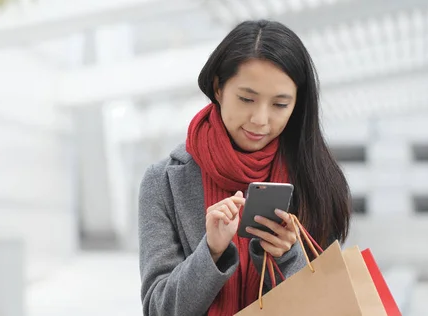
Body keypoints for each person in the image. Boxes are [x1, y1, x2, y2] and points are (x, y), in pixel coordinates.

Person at [138, 19, 352, 316]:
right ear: (218, 87)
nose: (260, 120)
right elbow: (158, 309)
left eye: (279, 105)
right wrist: (211, 252)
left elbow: (332, 308)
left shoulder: (316, 178)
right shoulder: (163, 181)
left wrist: (290, 256)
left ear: (297, 105)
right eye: (247, 99)